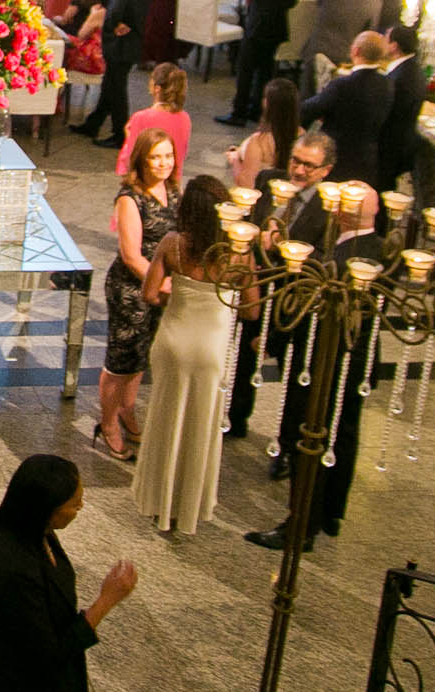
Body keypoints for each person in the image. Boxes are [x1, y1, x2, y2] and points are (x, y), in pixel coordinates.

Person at [246, 175, 384, 548]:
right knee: (342, 436)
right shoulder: (371, 248)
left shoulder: (351, 259)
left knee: (310, 437)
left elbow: (311, 307)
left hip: (329, 364)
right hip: (350, 363)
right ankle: (330, 513)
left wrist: (274, 338)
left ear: (345, 211)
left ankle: (302, 525)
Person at [0, 454, 138, 691]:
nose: (81, 507)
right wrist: (106, 601)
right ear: (47, 510)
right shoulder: (15, 566)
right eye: (74, 503)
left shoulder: (29, 527)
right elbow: (49, 656)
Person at [133, 176, 255, 535]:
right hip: (210, 348)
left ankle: (158, 501)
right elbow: (252, 310)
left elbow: (149, 294)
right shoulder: (239, 253)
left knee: (165, 419)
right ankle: (188, 507)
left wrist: (179, 297)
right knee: (200, 426)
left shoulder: (173, 244)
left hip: (173, 342)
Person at [97, 129, 177, 460]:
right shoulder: (130, 198)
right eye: (155, 157)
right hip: (131, 289)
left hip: (158, 290)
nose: (163, 163)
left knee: (142, 355)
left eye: (168, 156)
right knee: (121, 359)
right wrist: (161, 283)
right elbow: (131, 256)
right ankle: (107, 424)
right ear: (142, 160)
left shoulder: (173, 190)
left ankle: (127, 409)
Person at [216, 0, 304, 127]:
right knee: (265, 71)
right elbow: (291, 1)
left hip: (260, 25)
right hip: (277, 25)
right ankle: (257, 109)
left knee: (246, 69)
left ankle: (239, 112)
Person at [71, 0, 150, 148]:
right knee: (110, 85)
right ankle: (93, 124)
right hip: (133, 41)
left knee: (116, 90)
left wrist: (115, 24)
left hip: (120, 45)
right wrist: (131, 24)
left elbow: (114, 12)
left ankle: (120, 134)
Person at [301, 30, 394, 190]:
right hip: (366, 159)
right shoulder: (388, 85)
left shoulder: (342, 85)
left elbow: (310, 109)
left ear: (355, 51)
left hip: (336, 158)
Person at [114, 62, 190, 183]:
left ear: (157, 88)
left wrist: (128, 135)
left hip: (145, 181)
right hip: (172, 179)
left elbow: (132, 154)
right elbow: (182, 151)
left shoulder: (141, 117)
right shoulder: (185, 118)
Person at [225, 76, 299, 190]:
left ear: (267, 103)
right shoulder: (301, 135)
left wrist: (235, 159)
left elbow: (247, 184)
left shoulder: (259, 142)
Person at [378, 25, 427, 194]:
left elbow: (388, 113)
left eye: (386, 38)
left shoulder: (402, 77)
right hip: (399, 143)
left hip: (391, 148)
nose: (382, 41)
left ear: (394, 46)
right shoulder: (412, 69)